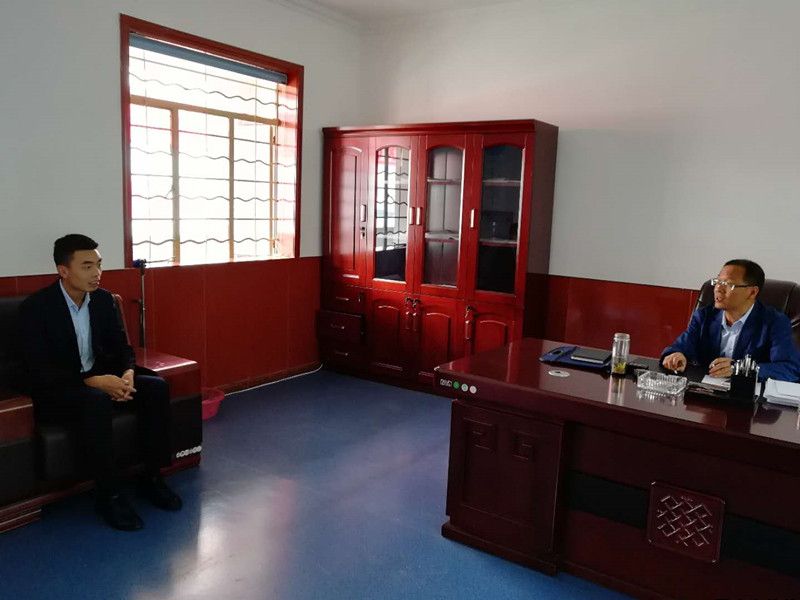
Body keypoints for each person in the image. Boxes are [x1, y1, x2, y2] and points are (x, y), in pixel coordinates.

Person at [19, 234, 182, 531]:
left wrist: (127, 374)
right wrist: (94, 382)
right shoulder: (37, 308)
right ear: (63, 270)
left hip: (100, 380)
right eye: (86, 266)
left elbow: (123, 349)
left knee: (155, 387)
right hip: (57, 391)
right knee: (95, 400)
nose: (96, 273)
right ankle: (109, 495)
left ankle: (152, 477)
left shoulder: (104, 301)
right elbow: (38, 370)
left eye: (99, 265)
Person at [661, 259, 800, 382]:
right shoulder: (704, 316)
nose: (718, 289)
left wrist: (740, 369)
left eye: (728, 284)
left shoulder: (775, 322)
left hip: (748, 398)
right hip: (705, 393)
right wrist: (675, 356)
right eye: (717, 282)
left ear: (752, 292)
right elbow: (679, 347)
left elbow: (789, 368)